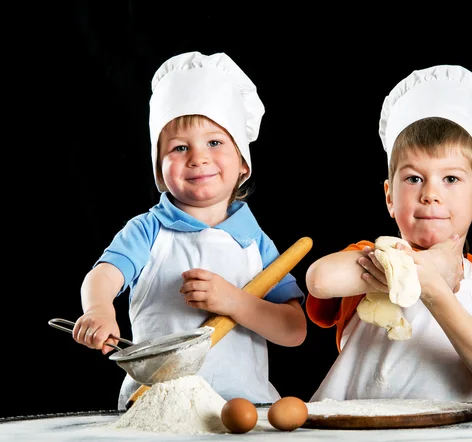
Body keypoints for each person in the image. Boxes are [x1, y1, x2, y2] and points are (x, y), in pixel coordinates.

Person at [72, 51, 307, 410]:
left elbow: (293, 330)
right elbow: (102, 275)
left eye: (214, 142)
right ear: (158, 167)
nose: (198, 158)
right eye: (180, 148)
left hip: (246, 409)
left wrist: (234, 301)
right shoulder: (149, 230)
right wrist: (100, 308)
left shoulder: (256, 243)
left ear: (242, 161)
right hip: (157, 408)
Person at [305, 65, 472, 403]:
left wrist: (434, 288)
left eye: (451, 179)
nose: (430, 194)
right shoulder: (372, 254)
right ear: (390, 197)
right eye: (413, 179)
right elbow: (320, 280)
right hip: (347, 431)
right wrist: (419, 265)